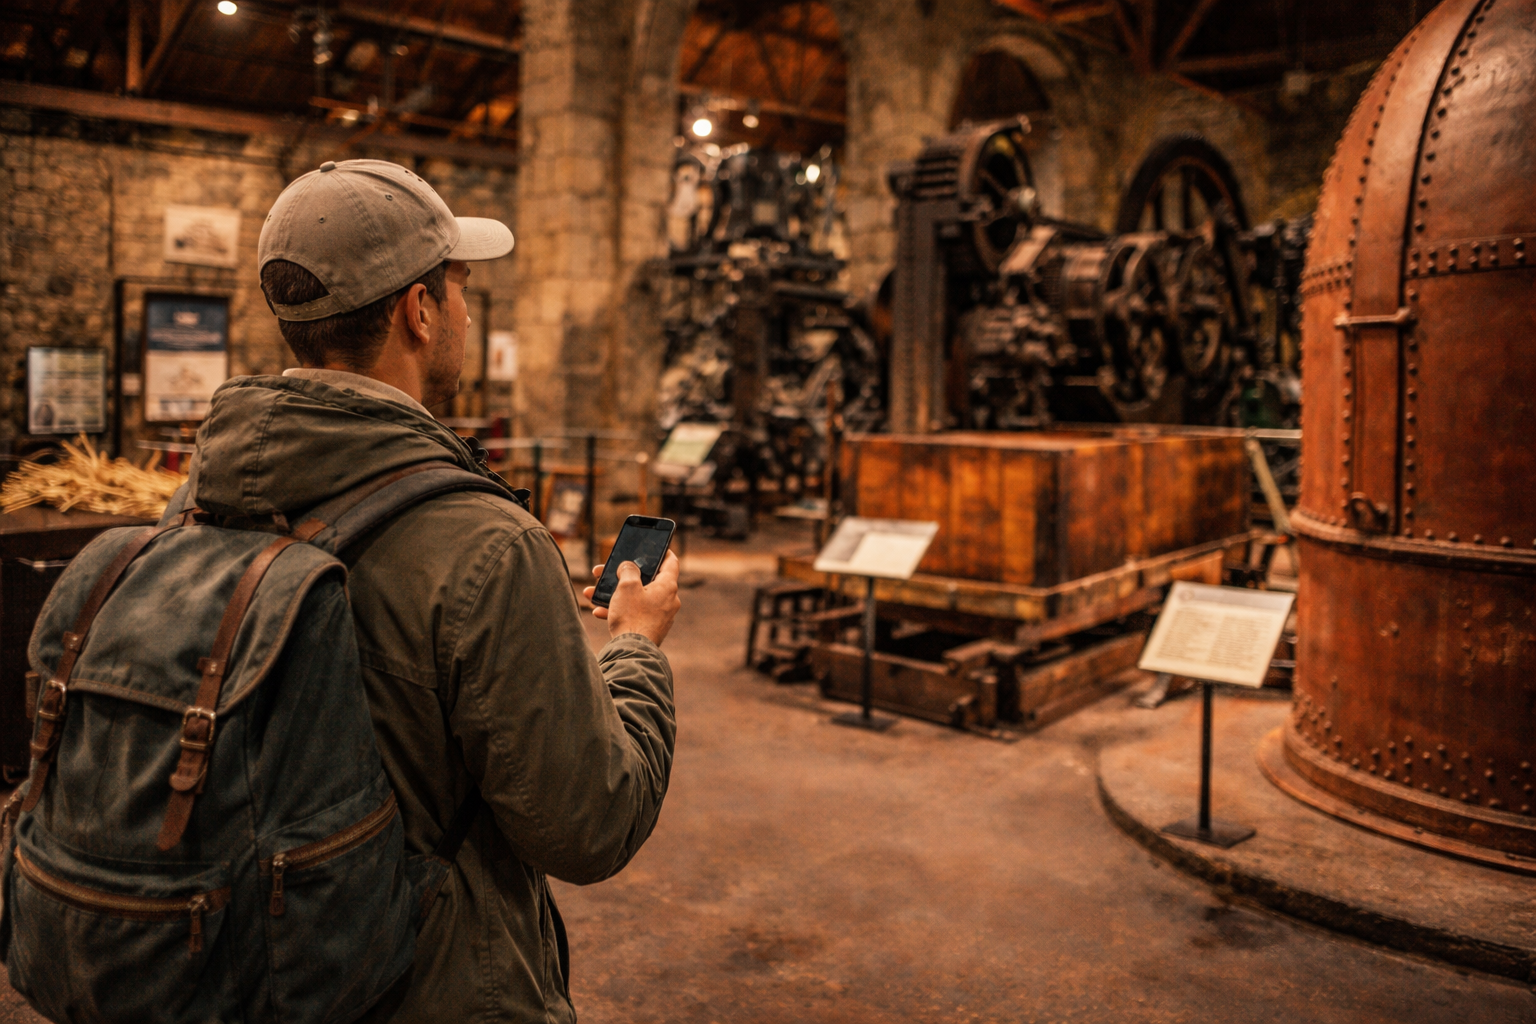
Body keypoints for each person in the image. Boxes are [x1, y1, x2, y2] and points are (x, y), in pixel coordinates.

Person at [191, 158, 680, 1022]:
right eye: (459, 288)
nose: (465, 312)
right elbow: (591, 824)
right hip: (428, 987)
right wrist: (635, 647)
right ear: (418, 312)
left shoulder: (197, 500)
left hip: (243, 969)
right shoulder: (487, 546)